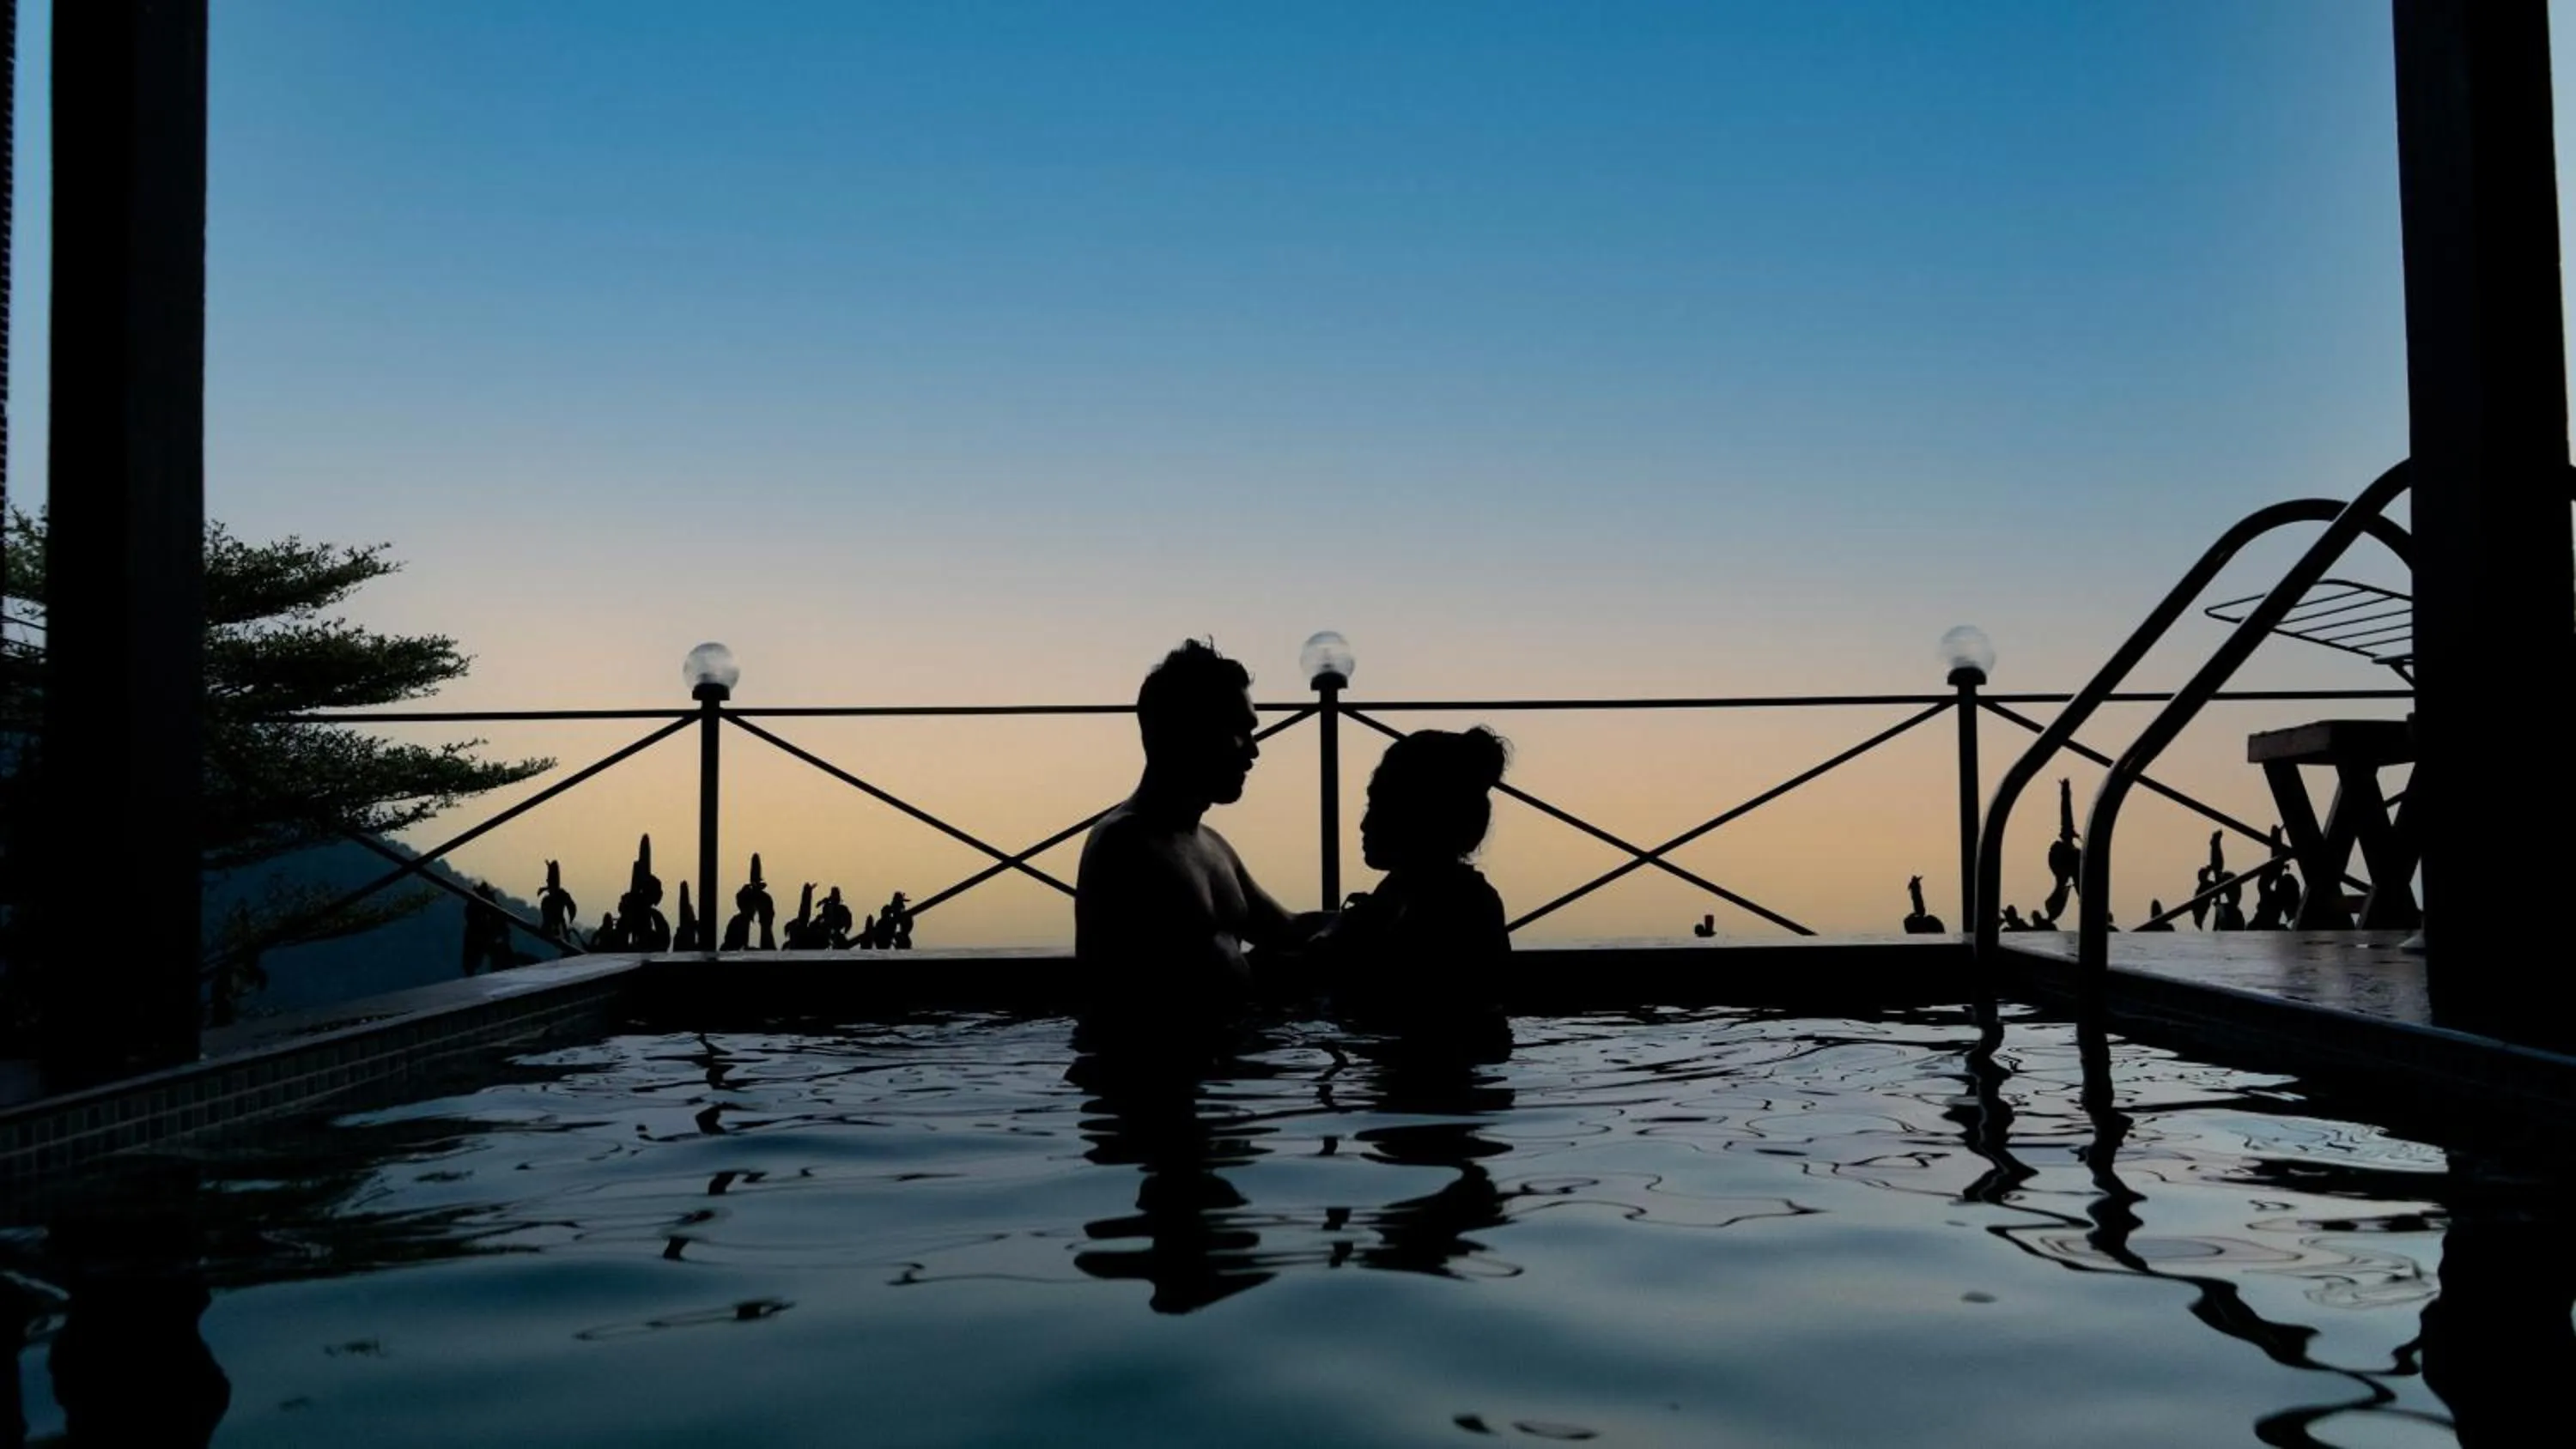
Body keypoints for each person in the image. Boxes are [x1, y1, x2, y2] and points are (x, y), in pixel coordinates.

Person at [1075, 640, 1313, 1038]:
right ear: (1188, 731)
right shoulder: (1125, 847)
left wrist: (1381, 910)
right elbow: (1151, 1006)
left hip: (1214, 1067)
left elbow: (1285, 928)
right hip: (1150, 1077)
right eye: (1239, 731)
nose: (1253, 750)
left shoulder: (1212, 846)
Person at [1306, 727, 1512, 1047]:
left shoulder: (1417, 908)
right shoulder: (1466, 899)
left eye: (1376, 807)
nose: (1364, 823)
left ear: (1415, 816)